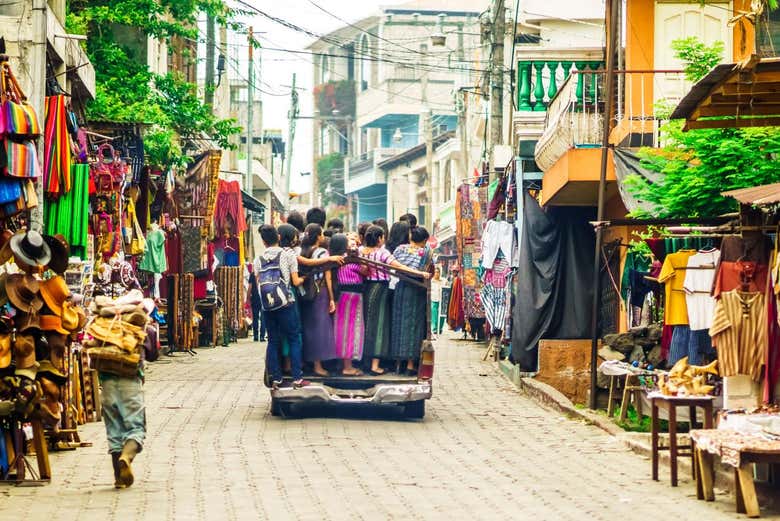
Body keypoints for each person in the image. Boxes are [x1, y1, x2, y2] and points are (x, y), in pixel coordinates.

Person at [361, 225, 429, 375]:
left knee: (394, 324)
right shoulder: (424, 252)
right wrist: (420, 274)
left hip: (391, 289)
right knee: (408, 325)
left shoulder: (395, 249)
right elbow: (400, 267)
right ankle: (408, 365)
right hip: (412, 289)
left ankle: (395, 363)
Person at [256, 224, 308, 388]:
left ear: (264, 242)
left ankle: (276, 378)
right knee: (293, 338)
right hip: (286, 303)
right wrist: (305, 278)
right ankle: (297, 378)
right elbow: (295, 281)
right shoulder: (287, 255)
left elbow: (259, 283)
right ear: (278, 237)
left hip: (267, 306)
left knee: (272, 341)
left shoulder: (258, 259)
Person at [390, 226, 433, 374]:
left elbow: (393, 266)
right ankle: (409, 365)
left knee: (398, 324)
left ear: (410, 237)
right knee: (414, 325)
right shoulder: (425, 253)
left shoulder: (399, 249)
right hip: (416, 290)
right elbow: (429, 271)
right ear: (424, 240)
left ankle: (398, 364)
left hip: (400, 288)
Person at [299, 224, 337, 376]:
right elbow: (328, 277)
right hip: (320, 293)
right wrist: (332, 298)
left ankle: (307, 362)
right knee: (320, 329)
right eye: (321, 234)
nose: (323, 237)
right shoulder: (322, 253)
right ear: (317, 236)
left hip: (306, 292)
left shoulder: (303, 251)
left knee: (309, 328)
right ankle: (318, 366)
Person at [330, 233, 365, 376]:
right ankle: (348, 367)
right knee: (350, 331)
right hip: (352, 296)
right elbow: (366, 271)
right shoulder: (348, 260)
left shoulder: (332, 258)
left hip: (341, 296)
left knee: (341, 330)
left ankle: (342, 363)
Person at [247, 267, 266, 342]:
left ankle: (255, 336)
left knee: (255, 318)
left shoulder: (252, 274)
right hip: (263, 298)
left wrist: (248, 298)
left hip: (255, 298)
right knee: (263, 318)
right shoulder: (264, 273)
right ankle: (262, 336)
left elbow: (250, 287)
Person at [430, 267, 444, 337]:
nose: (437, 274)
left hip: (442, 300)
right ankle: (435, 328)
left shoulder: (443, 281)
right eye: (435, 272)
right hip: (433, 299)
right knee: (434, 314)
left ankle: (440, 328)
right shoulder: (431, 281)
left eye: (438, 272)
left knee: (442, 315)